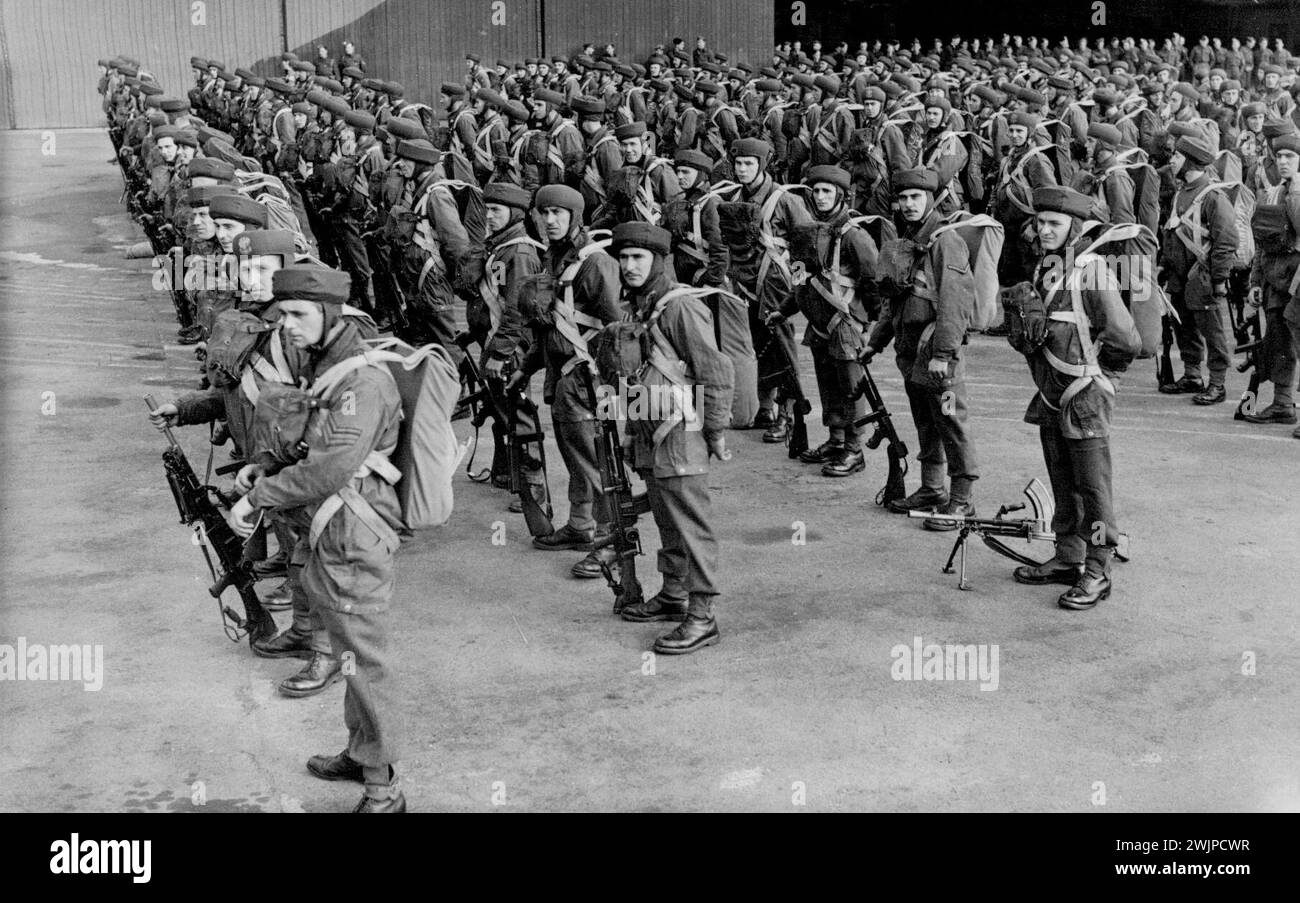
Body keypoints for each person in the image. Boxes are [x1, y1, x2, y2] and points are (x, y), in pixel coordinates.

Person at [230, 264, 406, 813]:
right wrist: (263, 465)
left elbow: (329, 470)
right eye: (281, 314)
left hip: (354, 533)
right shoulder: (325, 361)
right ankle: (362, 752)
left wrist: (258, 497)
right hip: (328, 528)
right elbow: (302, 435)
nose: (286, 325)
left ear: (330, 313)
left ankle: (383, 790)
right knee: (350, 654)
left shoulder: (363, 380)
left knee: (363, 658)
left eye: (298, 314)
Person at [1004, 187, 1142, 609]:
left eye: (1054, 224)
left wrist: (1105, 379)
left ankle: (1098, 569)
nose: (1044, 231)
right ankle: (1068, 558)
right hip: (1050, 394)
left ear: (1075, 228)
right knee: (1063, 481)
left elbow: (1125, 338)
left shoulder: (1093, 269)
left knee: (1094, 489)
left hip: (1084, 396)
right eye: (1040, 223)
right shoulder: (1049, 268)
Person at [599, 223, 734, 654]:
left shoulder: (679, 308)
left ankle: (703, 617)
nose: (629, 266)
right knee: (665, 519)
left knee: (691, 525)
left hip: (681, 431)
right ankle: (674, 595)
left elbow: (715, 372)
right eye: (623, 258)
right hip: (649, 431)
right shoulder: (637, 309)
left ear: (658, 261)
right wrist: (627, 430)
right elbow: (633, 377)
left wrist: (713, 431)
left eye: (638, 258)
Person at [864, 167, 980, 526]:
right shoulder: (909, 236)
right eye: (903, 198)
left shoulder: (945, 240)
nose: (909, 204)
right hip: (911, 351)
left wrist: (944, 354)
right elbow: (896, 299)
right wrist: (877, 342)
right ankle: (932, 488)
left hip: (936, 352)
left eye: (916, 197)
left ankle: (962, 499)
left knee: (950, 421)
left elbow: (955, 301)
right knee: (926, 421)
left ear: (931, 199)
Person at [520, 185, 625, 579]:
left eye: (558, 213)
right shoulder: (555, 256)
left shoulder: (594, 264)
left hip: (586, 378)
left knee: (597, 464)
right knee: (576, 459)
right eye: (543, 213)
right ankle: (581, 526)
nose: (549, 221)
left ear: (575, 217)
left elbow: (617, 329)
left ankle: (611, 542)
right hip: (561, 375)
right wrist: (524, 369)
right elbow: (549, 325)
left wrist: (609, 386)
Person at [766, 165, 878, 476]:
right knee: (828, 386)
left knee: (852, 389)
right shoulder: (805, 233)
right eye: (816, 191)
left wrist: (869, 324)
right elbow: (800, 281)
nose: (821, 196)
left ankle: (855, 450)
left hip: (845, 325)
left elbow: (873, 281)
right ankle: (836, 439)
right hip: (819, 325)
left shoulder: (855, 236)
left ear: (841, 195)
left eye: (827, 191)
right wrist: (784, 310)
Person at [1158, 135, 1239, 404]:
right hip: (1178, 277)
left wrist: (1218, 279)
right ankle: (1192, 375)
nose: (1172, 160)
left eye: (1177, 157)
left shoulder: (1214, 196)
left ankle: (1217, 384)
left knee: (1212, 331)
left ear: (1190, 162)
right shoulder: (1181, 192)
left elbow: (1226, 240)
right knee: (1183, 327)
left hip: (1202, 277)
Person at [1243, 134, 1300, 429]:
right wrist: (1255, 282)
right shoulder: (1273, 194)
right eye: (1280, 157)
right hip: (1276, 279)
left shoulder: (1294, 194)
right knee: (1278, 343)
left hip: (1298, 281)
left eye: (1290, 156)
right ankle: (1282, 403)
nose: (1283, 161)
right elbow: (1262, 242)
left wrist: (1295, 193)